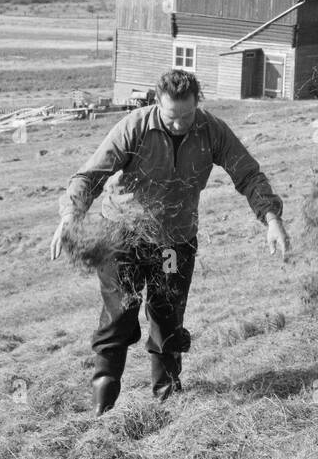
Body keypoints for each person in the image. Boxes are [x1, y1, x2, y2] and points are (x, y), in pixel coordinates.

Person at [49, 69, 289, 414]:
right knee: (120, 315)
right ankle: (103, 411)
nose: (179, 125)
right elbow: (91, 174)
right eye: (171, 117)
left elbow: (248, 173)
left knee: (167, 316)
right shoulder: (135, 127)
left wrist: (271, 219)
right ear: (157, 104)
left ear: (198, 105)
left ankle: (167, 401)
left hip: (173, 244)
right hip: (122, 238)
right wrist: (70, 216)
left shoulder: (212, 130)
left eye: (186, 117)